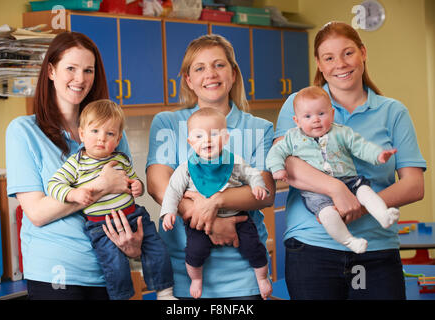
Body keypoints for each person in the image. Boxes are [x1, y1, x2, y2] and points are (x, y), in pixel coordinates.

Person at [274, 21, 426, 299]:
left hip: (376, 250)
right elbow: (287, 165)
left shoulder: (393, 112)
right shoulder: (299, 104)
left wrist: (361, 207)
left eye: (348, 53)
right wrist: (336, 190)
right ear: (319, 64)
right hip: (311, 245)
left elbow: (414, 185)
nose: (340, 64)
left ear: (363, 53)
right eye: (329, 57)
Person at [5, 32, 143, 300]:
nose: (80, 79)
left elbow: (125, 196)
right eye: (71, 68)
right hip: (55, 272)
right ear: (51, 71)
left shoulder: (112, 131)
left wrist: (135, 244)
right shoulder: (23, 131)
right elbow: (37, 213)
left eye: (88, 70)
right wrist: (101, 185)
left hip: (110, 267)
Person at [146, 34, 276, 299]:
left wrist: (214, 202)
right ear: (188, 80)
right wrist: (205, 219)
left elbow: (265, 191)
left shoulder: (260, 128)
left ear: (233, 73)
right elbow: (158, 184)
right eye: (200, 68)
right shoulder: (168, 123)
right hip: (183, 273)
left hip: (243, 274)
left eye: (219, 65)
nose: (211, 74)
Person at [47, 99, 174, 300]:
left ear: (118, 138)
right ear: (82, 134)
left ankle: (164, 292)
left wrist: (137, 186)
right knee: (115, 266)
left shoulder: (121, 158)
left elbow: (133, 181)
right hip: (101, 227)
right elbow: (54, 185)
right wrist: (73, 194)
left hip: (133, 216)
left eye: (110, 134)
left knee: (157, 248)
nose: (101, 139)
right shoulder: (76, 164)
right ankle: (121, 297)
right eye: (95, 131)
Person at [266, 86, 400, 254]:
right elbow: (276, 152)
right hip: (314, 191)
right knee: (327, 215)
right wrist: (277, 168)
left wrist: (378, 155)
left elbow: (361, 147)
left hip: (348, 179)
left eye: (321, 114)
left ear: (332, 114)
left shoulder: (342, 133)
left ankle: (383, 216)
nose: (316, 120)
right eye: (307, 116)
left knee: (366, 191)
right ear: (297, 120)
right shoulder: (292, 137)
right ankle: (350, 241)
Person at [161, 107, 271, 299]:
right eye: (199, 136)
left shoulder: (234, 161)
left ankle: (262, 278)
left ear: (226, 138)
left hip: (237, 216)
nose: (207, 140)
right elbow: (173, 191)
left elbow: (252, 174)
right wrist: (168, 212)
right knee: (195, 251)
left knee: (253, 246)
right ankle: (196, 279)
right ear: (190, 142)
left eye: (214, 134)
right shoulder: (186, 168)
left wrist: (257, 185)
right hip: (199, 221)